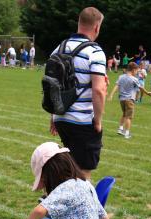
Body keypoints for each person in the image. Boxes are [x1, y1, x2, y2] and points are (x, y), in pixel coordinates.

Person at [50, 7, 107, 180]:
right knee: (83, 172)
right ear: (96, 27)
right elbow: (98, 90)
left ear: (79, 23)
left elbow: (53, 85)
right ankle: (79, 205)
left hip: (61, 120)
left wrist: (54, 116)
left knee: (69, 170)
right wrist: (98, 120)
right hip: (82, 121)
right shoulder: (95, 52)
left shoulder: (58, 49)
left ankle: (60, 202)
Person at [108, 61, 151, 139]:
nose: (137, 73)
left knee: (124, 114)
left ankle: (120, 129)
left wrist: (111, 95)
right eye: (136, 71)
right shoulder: (134, 79)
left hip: (122, 99)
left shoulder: (121, 77)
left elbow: (116, 86)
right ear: (133, 70)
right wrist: (147, 93)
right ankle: (127, 133)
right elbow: (141, 87)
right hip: (129, 100)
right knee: (129, 117)